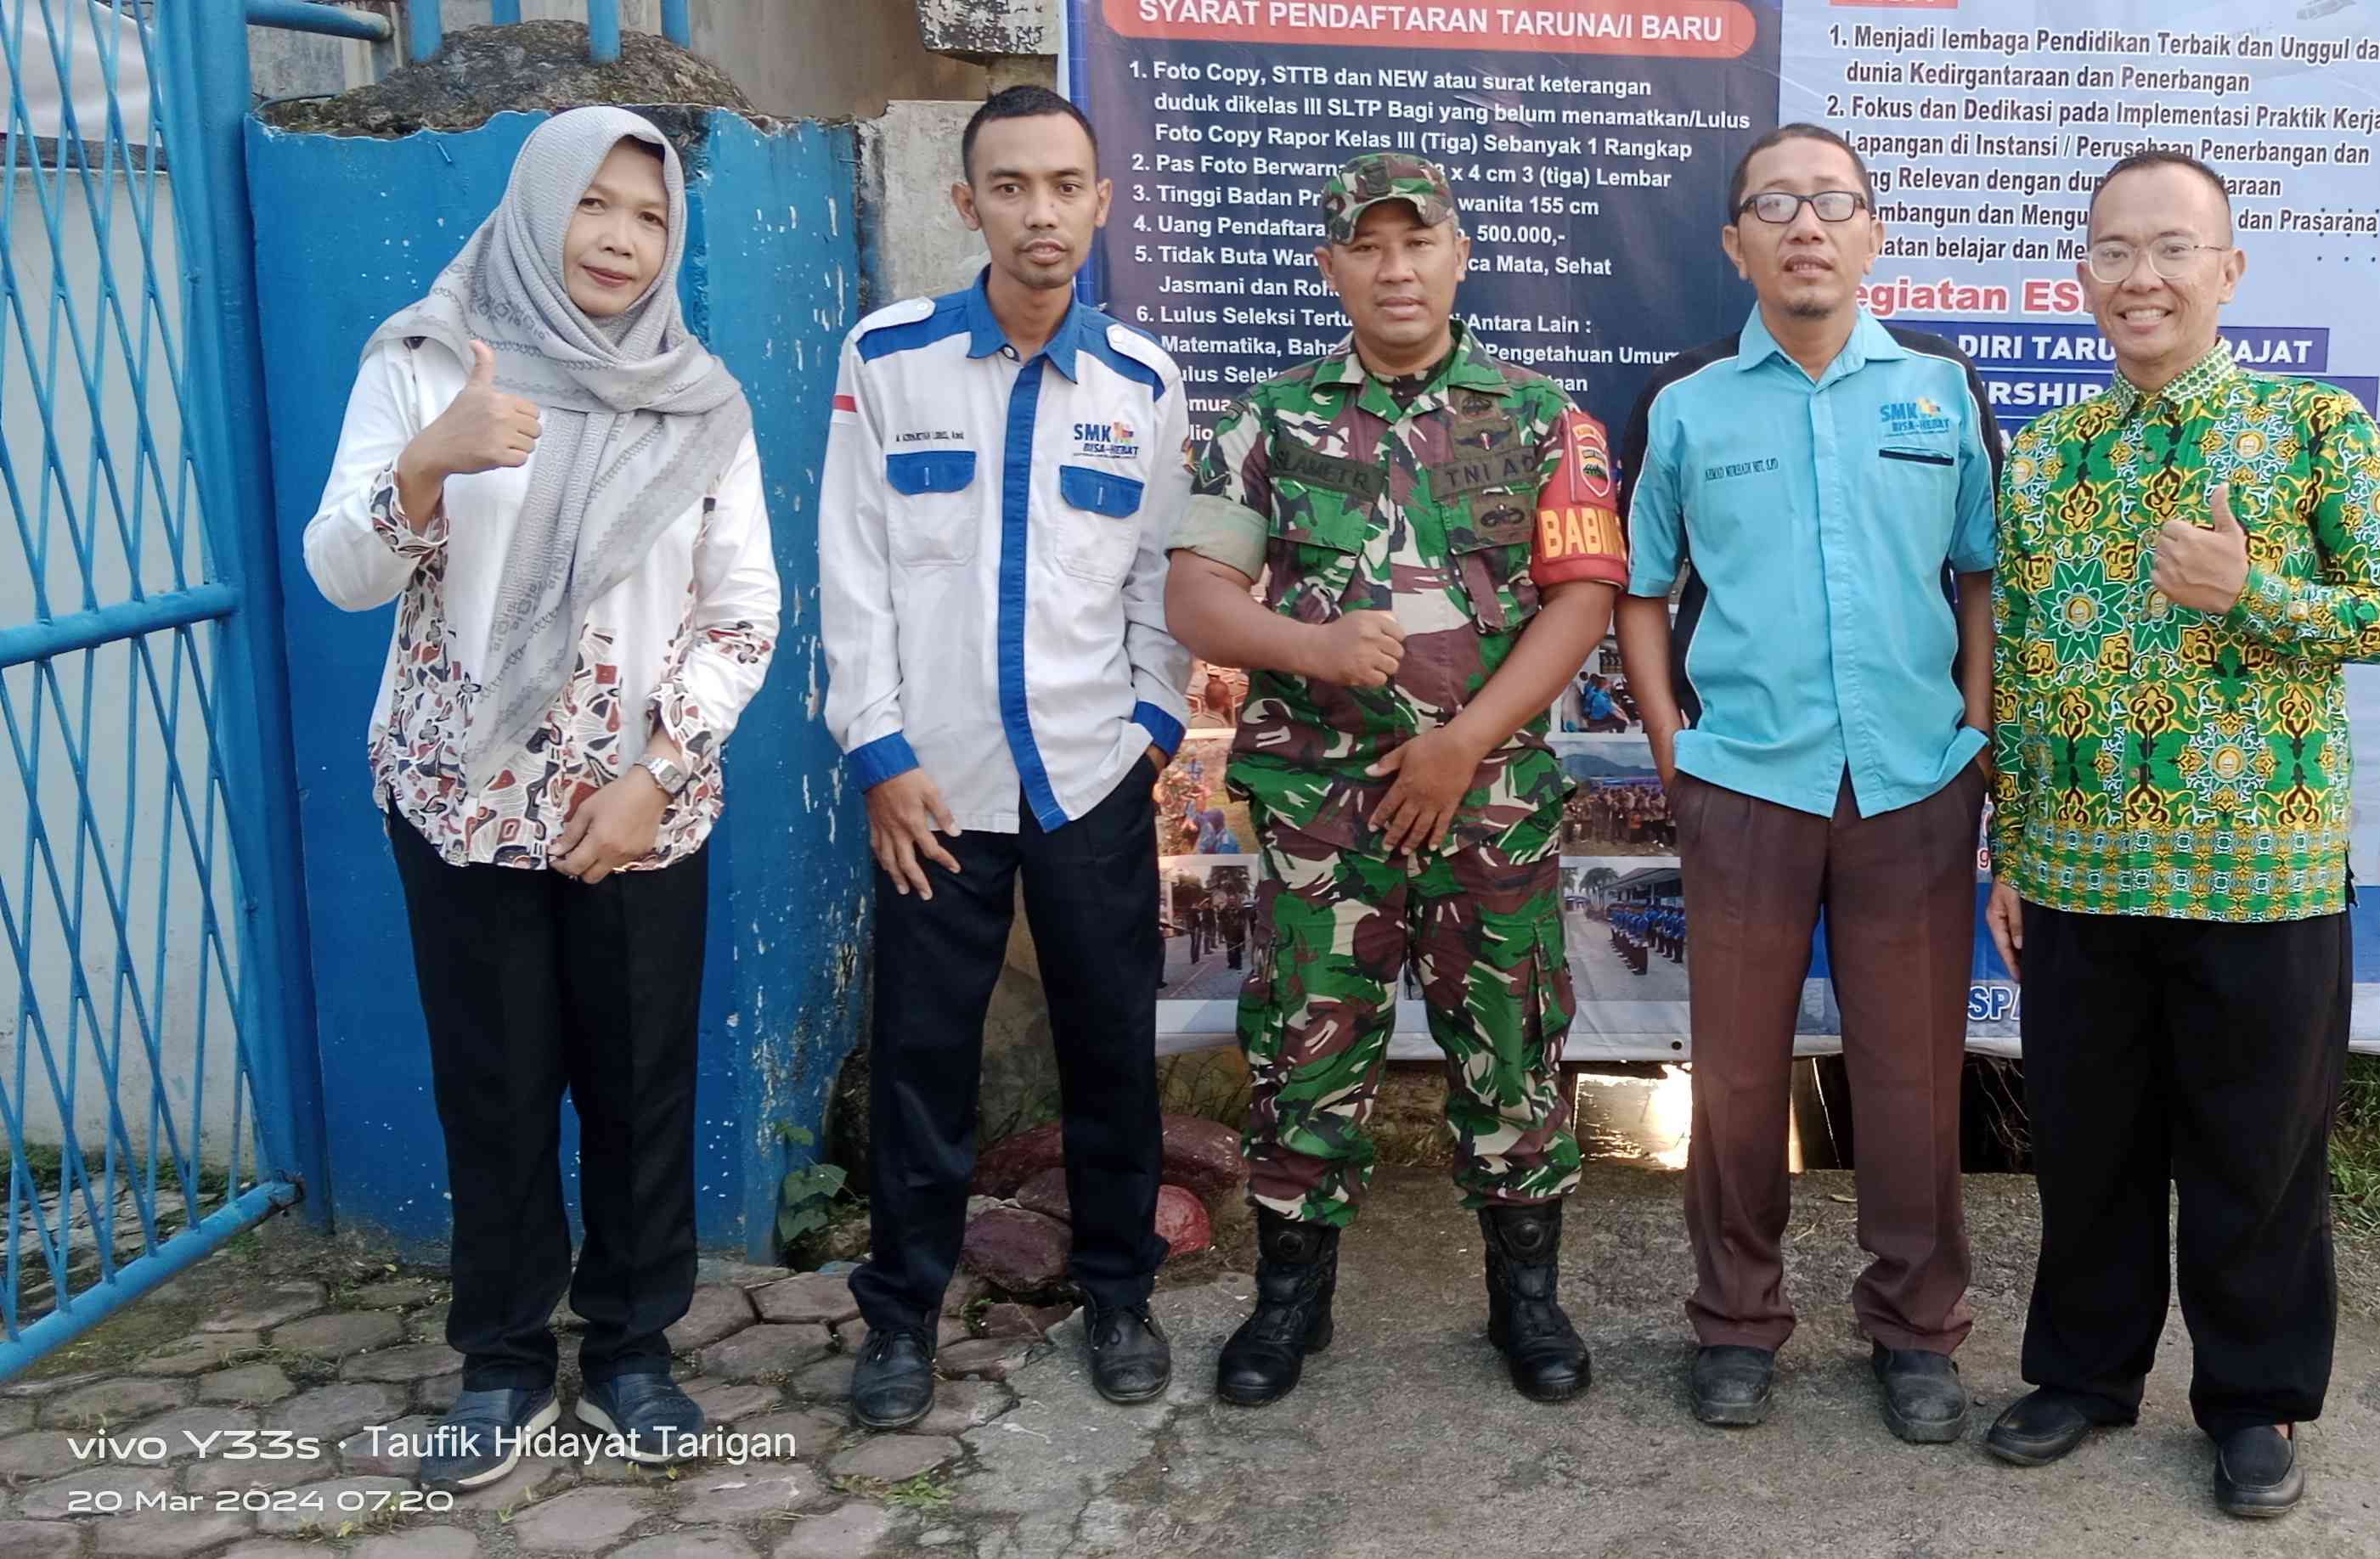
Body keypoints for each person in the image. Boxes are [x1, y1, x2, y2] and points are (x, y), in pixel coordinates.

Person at [305, 107, 776, 1489]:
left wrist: (654, 775)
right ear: (538, 204)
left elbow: (742, 610)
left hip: (638, 808)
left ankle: (634, 1348)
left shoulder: (702, 397)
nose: (622, 239)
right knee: (495, 1088)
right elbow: (343, 571)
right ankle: (505, 1357)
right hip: (462, 797)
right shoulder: (426, 359)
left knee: (640, 1086)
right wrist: (432, 461)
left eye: (650, 214)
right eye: (597, 205)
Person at [1980, 148, 2380, 1519]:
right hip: (2077, 873)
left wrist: (2254, 592)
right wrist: (2010, 840)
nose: (2143, 276)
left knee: (2260, 1161)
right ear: (2084, 275)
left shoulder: (2312, 431)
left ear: (2228, 272)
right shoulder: (2051, 453)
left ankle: (2253, 1404)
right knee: (2091, 1145)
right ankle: (2084, 1374)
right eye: (2116, 250)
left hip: (2263, 874)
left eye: (2174, 249)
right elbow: (2026, 658)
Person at [1165, 152, 1626, 1409]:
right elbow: (1195, 594)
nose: (1395, 267)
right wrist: (1311, 646)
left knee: (1513, 1049)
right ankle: (1288, 1305)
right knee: (1305, 1047)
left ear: (1459, 253)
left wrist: (1463, 738)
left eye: (1415, 242)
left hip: (1489, 800)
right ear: (1331, 271)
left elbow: (1583, 598)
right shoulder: (1266, 420)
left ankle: (1526, 1305)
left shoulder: (1542, 417)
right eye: (1365, 248)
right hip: (1326, 809)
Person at [1614, 123, 1999, 1440]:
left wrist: (1977, 742)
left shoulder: (1943, 392)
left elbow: (1980, 580)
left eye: (1833, 202)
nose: (1805, 226)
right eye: (1774, 206)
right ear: (1736, 243)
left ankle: (1915, 1328)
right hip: (1748, 787)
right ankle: (1735, 1322)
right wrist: (1676, 750)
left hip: (1913, 786)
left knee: (1912, 1079)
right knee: (1732, 1081)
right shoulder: (1685, 401)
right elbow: (1644, 591)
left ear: (1873, 232)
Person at [820, 86, 1193, 1428]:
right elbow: (852, 570)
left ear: (1102, 202)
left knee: (1111, 1045)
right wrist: (876, 750)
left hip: (1092, 774)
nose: (1043, 212)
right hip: (934, 787)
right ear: (964, 200)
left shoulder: (1143, 382)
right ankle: (902, 1319)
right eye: (1013, 185)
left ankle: (1118, 1293)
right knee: (922, 1055)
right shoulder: (891, 356)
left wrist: (1153, 727)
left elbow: (1160, 580)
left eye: (1067, 185)